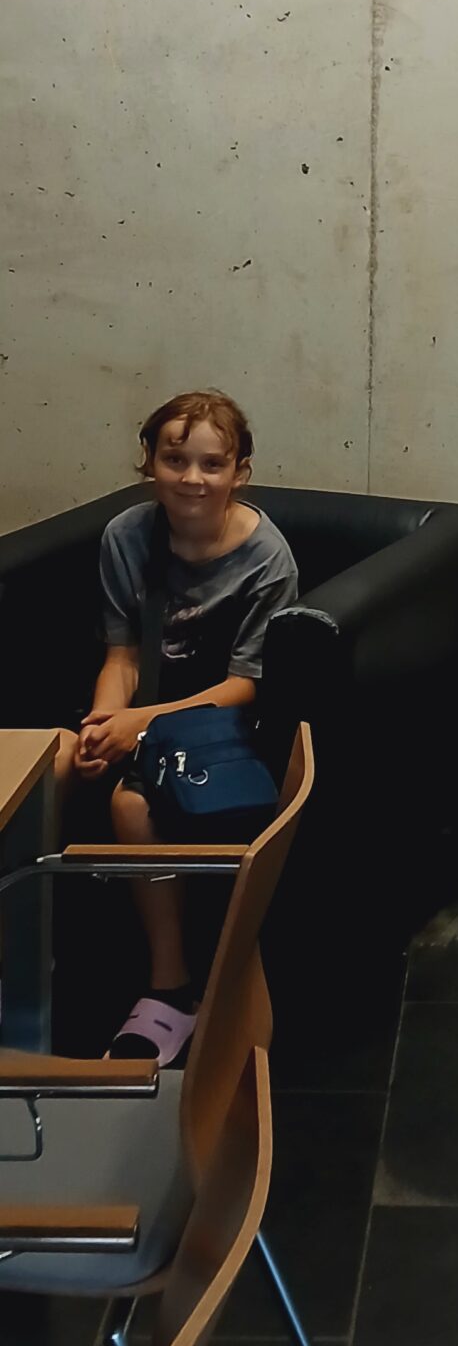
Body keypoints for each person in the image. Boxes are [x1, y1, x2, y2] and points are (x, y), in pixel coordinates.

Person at [56, 390, 298, 1065]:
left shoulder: (266, 557)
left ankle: (170, 989)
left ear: (239, 472)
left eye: (211, 464)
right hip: (146, 713)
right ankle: (28, 962)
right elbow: (123, 656)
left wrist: (139, 724)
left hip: (223, 728)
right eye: (175, 460)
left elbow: (247, 685)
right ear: (150, 463)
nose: (192, 478)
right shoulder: (127, 536)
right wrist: (105, 722)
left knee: (132, 806)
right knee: (53, 761)